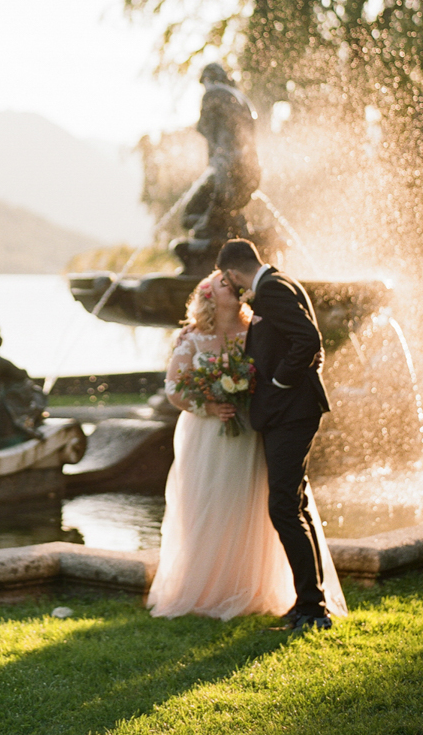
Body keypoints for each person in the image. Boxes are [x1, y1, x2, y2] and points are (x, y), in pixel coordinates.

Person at [147, 271, 345, 622]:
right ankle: (208, 588)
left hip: (252, 431)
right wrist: (209, 406)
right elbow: (174, 388)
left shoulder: (257, 327)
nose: (235, 288)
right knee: (208, 504)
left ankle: (255, 586)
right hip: (207, 435)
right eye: (225, 285)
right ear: (209, 296)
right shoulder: (191, 337)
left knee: (252, 506)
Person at [217, 237, 339, 632]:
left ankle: (313, 610)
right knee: (294, 504)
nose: (232, 287)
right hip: (292, 412)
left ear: (233, 272)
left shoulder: (270, 290)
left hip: (291, 411)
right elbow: (300, 338)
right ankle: (309, 604)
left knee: (283, 507)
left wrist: (279, 380)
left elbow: (308, 339)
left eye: (228, 280)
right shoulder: (282, 281)